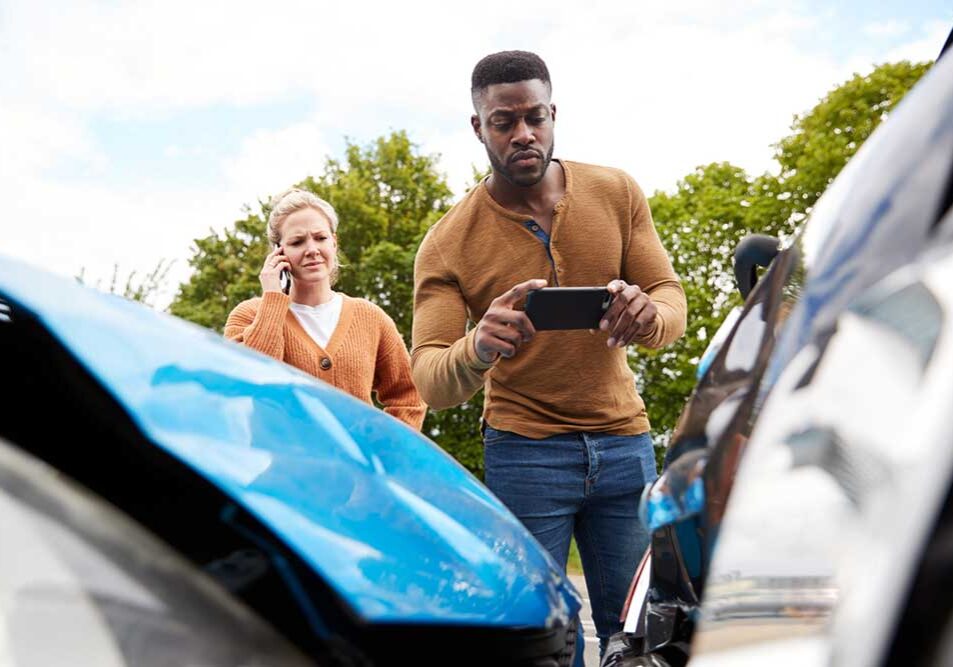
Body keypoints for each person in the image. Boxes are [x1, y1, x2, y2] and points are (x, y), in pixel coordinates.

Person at [411, 51, 687, 656]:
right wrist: (478, 347)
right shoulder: (446, 243)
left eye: (534, 117)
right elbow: (430, 377)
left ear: (553, 113)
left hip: (624, 445)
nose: (523, 134)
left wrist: (649, 315)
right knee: (541, 645)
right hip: (525, 454)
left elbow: (670, 300)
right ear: (478, 128)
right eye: (504, 122)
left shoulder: (616, 192)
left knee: (638, 637)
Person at [225, 188, 426, 430]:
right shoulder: (249, 315)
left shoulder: (370, 317)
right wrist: (272, 298)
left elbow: (408, 396)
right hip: (283, 465)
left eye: (320, 238)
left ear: (334, 242)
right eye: (297, 242)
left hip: (356, 467)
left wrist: (386, 451)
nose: (312, 249)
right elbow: (253, 382)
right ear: (279, 252)